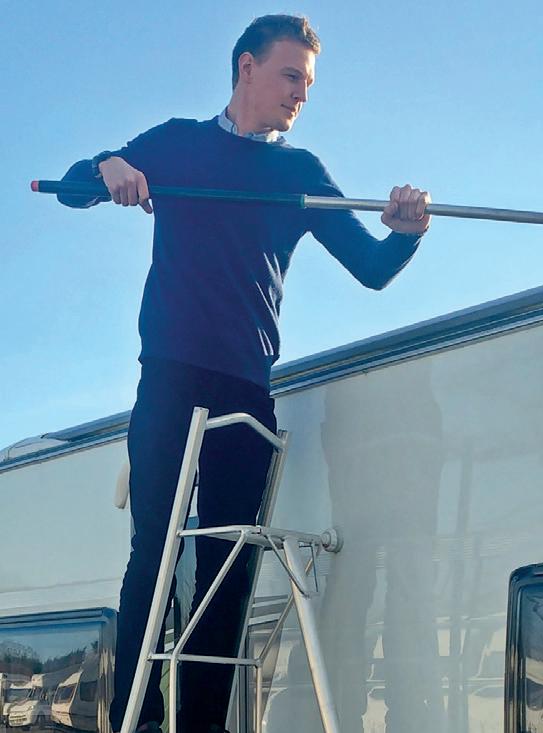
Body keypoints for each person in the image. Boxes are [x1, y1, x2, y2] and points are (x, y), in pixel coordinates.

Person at [57, 14, 431, 733]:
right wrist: (107, 165)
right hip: (169, 378)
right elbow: (73, 189)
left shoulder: (301, 172)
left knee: (225, 568)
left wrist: (406, 233)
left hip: (245, 389)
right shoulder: (176, 143)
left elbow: (372, 268)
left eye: (308, 83)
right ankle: (137, 719)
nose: (301, 94)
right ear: (247, 68)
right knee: (154, 550)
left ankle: (203, 723)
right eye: (291, 76)